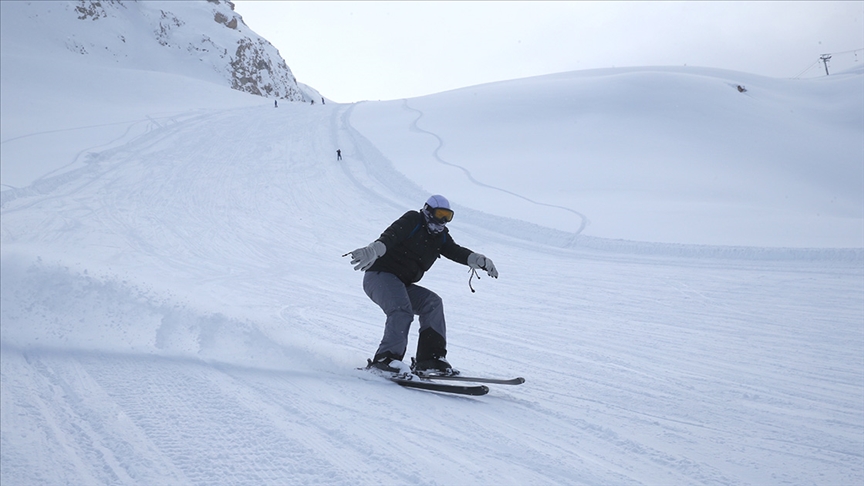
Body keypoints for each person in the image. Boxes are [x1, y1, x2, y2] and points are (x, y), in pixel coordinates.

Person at [346, 195, 498, 375]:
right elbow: (390, 237)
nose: (443, 220)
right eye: (440, 214)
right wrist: (373, 250)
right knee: (401, 310)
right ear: (428, 211)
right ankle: (386, 359)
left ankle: (430, 359)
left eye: (448, 216)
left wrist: (477, 259)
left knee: (432, 303)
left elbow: (455, 251)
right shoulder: (413, 220)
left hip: (401, 284)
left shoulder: (440, 236)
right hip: (380, 277)